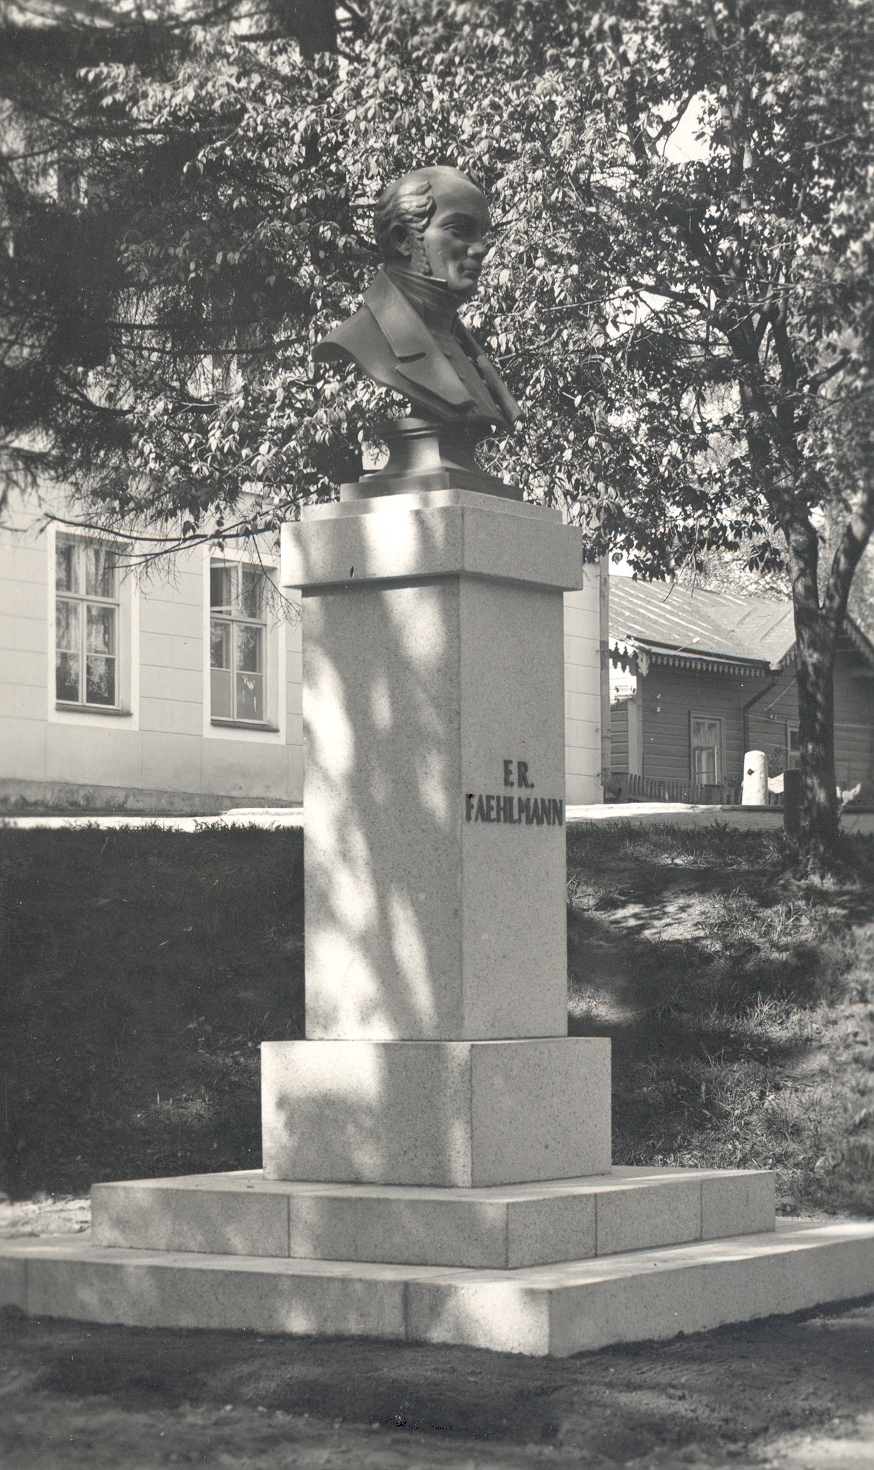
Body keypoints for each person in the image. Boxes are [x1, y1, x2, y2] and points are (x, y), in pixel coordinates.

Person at [313, 166, 521, 432]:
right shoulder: (360, 339)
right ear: (403, 239)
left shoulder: (462, 344)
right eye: (460, 229)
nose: (481, 248)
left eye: (482, 234)